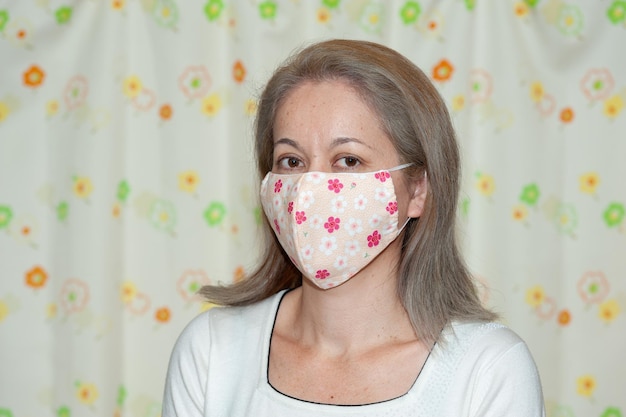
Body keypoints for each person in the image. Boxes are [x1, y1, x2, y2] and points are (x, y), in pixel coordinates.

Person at [162, 39, 545, 416]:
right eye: (291, 161)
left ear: (418, 189)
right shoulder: (212, 351)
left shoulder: (488, 370)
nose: (310, 188)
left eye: (347, 160)